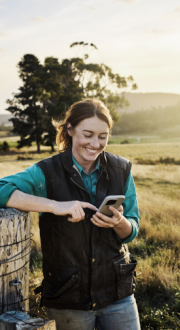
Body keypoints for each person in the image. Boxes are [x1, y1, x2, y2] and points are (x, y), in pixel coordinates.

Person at [0, 98, 141, 330]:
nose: (95, 143)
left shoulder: (122, 170)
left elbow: (131, 230)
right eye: (88, 134)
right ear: (70, 129)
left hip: (118, 294)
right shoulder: (45, 172)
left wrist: (119, 222)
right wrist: (55, 205)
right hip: (67, 297)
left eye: (103, 136)